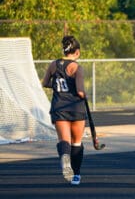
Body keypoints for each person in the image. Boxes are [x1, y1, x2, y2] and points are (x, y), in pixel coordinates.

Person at [42, 35, 86, 185]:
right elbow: (80, 91)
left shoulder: (53, 65)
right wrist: (84, 95)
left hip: (59, 107)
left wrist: (57, 86)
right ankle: (76, 176)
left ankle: (65, 160)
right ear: (77, 52)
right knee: (77, 143)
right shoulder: (77, 68)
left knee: (64, 140)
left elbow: (45, 83)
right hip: (76, 108)